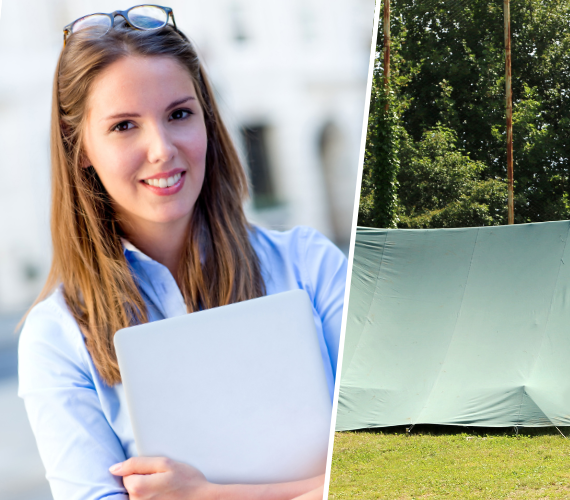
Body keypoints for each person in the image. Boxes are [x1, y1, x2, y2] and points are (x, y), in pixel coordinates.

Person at [17, 6, 345, 499]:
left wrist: (206, 495)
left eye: (178, 114)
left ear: (206, 120)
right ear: (80, 147)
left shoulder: (309, 265)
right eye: (125, 126)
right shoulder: (57, 338)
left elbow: (392, 466)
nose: (162, 148)